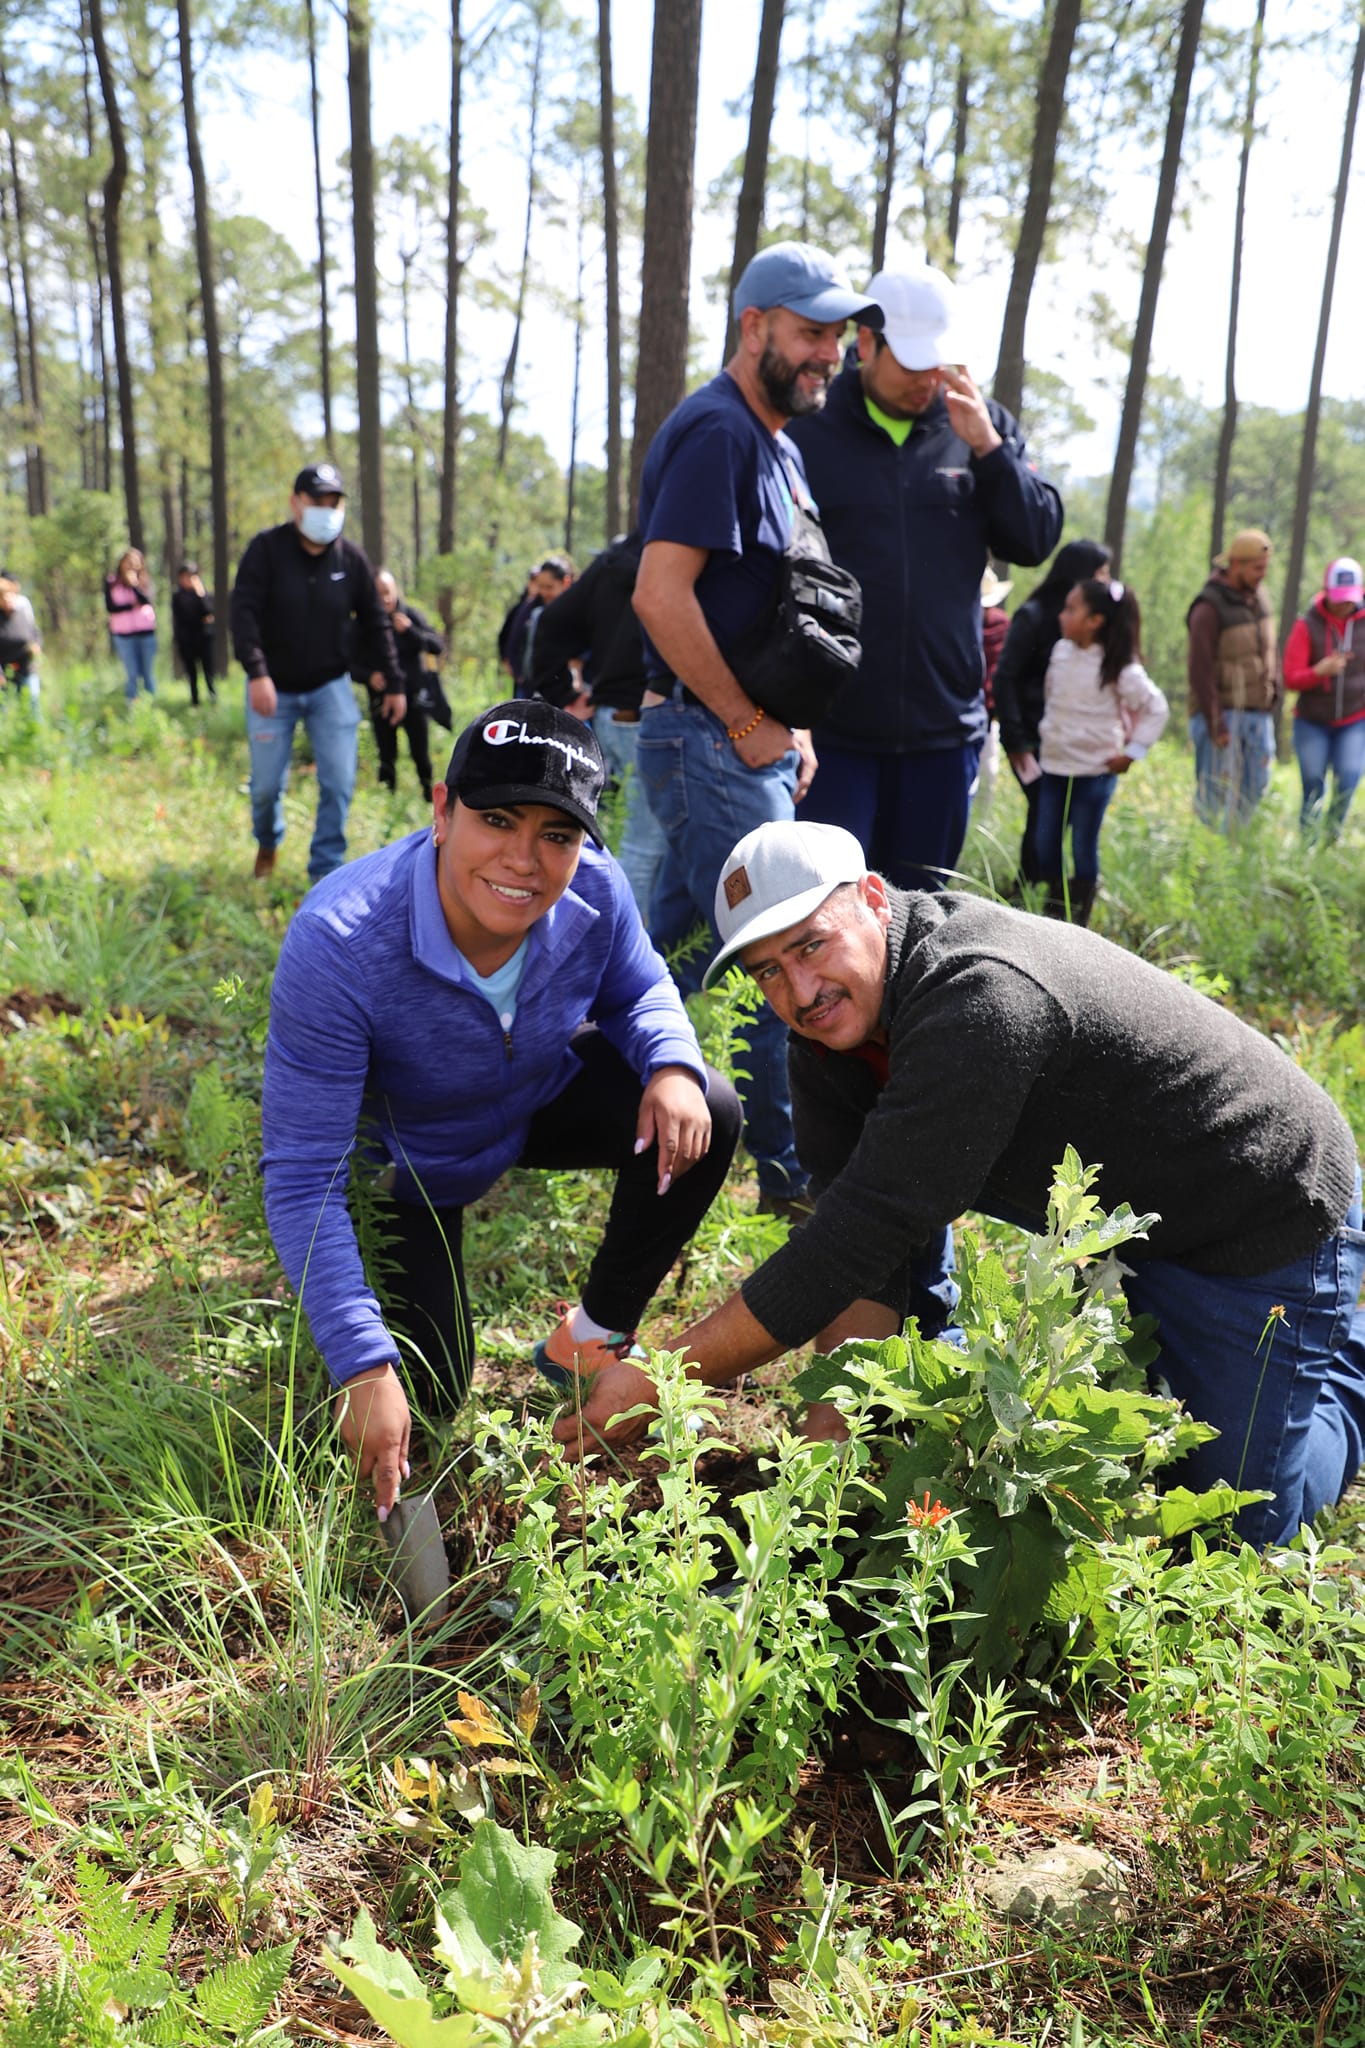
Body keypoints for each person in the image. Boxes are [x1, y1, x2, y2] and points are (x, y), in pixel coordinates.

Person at [556, 819, 1365, 1553]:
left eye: (810, 945)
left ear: (872, 899)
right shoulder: (830, 1044)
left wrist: (658, 1378)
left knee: (1236, 1528)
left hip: (1259, 1217)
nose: (798, 993)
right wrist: (817, 1479)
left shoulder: (980, 992)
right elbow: (867, 1266)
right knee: (1124, 1455)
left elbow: (856, 1233)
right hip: (1128, 1222)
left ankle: (1349, 1367)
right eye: (768, 973)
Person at [261, 699, 742, 1516]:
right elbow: (304, 1175)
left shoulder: (594, 887)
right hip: (409, 1166)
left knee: (709, 1106)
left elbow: (640, 986)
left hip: (529, 1101)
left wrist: (668, 1063)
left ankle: (587, 1339)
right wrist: (362, 1366)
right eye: (496, 820)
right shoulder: (341, 943)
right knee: (435, 1390)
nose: (524, 860)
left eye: (556, 834)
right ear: (443, 811)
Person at [632, 239, 879, 1216]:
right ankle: (790, 1173)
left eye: (838, 336)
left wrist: (794, 721)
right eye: (812, 332)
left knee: (661, 954)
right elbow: (661, 593)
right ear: (754, 327)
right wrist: (742, 718)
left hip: (741, 741)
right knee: (785, 950)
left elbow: (766, 602)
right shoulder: (719, 432)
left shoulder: (775, 442)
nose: (830, 352)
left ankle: (549, 1080)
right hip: (709, 742)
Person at [784, 260, 1063, 889]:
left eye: (938, 362)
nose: (927, 381)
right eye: (912, 363)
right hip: (835, 732)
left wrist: (990, 451)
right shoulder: (809, 429)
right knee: (830, 909)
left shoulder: (979, 425)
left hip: (943, 734)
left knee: (919, 917)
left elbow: (1035, 539)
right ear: (865, 344)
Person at [230, 460, 403, 882]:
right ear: (296, 503)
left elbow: (376, 622)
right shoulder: (266, 550)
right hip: (274, 688)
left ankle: (325, 871)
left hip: (330, 686)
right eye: (318, 501)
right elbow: (243, 612)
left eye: (334, 501)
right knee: (267, 785)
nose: (327, 509)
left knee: (340, 781)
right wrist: (256, 672)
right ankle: (268, 840)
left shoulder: (351, 557)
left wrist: (395, 681)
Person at [527, 531, 668, 920]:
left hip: (608, 721)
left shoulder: (611, 561)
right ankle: (625, 957)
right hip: (645, 720)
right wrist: (562, 695)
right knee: (643, 852)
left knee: (597, 839)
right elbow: (551, 620)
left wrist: (562, 691)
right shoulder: (678, 550)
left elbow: (552, 621)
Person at [1034, 576, 1168, 924]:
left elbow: (1157, 707)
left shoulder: (1120, 667)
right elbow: (1052, 695)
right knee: (1044, 845)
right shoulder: (1060, 651)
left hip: (1094, 773)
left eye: (1071, 609)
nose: (1062, 615)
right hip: (1054, 767)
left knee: (1082, 846)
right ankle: (1054, 913)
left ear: (1095, 621)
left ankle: (1077, 921)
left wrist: (1133, 751)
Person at [992, 539, 1111, 886]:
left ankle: (1045, 891)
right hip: (1030, 736)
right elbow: (1005, 678)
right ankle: (1030, 887)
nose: (1105, 579)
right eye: (1100, 571)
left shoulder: (1092, 625)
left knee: (1057, 816)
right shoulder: (1034, 616)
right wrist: (1016, 739)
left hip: (1068, 737)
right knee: (1045, 813)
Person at [1186, 527, 1279, 829]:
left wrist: (1273, 693)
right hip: (1221, 716)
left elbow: (1269, 650)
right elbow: (1199, 668)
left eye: (1264, 568)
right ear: (1236, 564)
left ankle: (1236, 853)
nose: (1261, 575)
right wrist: (1215, 722)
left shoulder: (1260, 599)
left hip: (1257, 714)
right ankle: (1207, 862)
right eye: (1256, 568)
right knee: (1213, 793)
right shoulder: (1208, 607)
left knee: (1254, 789)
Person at [1282, 555, 1365, 841]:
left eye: (1350, 598)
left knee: (1349, 777)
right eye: (1339, 598)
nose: (1345, 605)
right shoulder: (1307, 626)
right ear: (1326, 592)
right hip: (1312, 720)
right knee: (1313, 782)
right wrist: (1320, 671)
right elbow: (1291, 678)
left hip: (1355, 719)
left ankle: (1331, 840)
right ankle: (1307, 843)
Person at [364, 569, 447, 803]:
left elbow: (437, 645)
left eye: (388, 593)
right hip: (381, 699)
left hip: (415, 698)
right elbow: (349, 660)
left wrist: (411, 631)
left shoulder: (409, 616)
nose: (385, 599)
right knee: (386, 754)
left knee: (420, 753)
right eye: (379, 594)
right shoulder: (366, 621)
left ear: (395, 592)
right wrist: (368, 676)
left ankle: (428, 799)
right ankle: (387, 800)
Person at [498, 555, 574, 687]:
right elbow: (512, 640)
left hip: (564, 687)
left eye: (549, 587)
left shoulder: (575, 610)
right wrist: (518, 674)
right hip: (529, 685)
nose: (544, 592)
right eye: (541, 586)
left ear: (565, 582)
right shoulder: (531, 608)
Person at [105, 547, 157, 701]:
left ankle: (150, 705)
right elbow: (110, 607)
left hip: (146, 632)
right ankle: (132, 705)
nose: (130, 565)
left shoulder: (144, 580)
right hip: (123, 634)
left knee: (148, 672)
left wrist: (134, 585)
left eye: (134, 562)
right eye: (127, 562)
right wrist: (130, 607)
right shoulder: (112, 582)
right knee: (131, 673)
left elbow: (146, 601)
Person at [171, 562, 216, 707]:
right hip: (187, 639)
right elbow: (181, 618)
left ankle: (212, 696)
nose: (188, 580)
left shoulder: (202, 594)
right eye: (185, 577)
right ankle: (195, 701)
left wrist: (201, 594)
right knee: (192, 672)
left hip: (204, 637)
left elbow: (209, 613)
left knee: (208, 669)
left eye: (191, 576)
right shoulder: (177, 596)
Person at [0, 572, 41, 711]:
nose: (8, 600)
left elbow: (35, 632)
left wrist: (37, 646)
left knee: (33, 702)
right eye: (4, 597)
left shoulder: (23, 612)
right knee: (6, 708)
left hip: (27, 666)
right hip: (7, 670)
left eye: (10, 595)